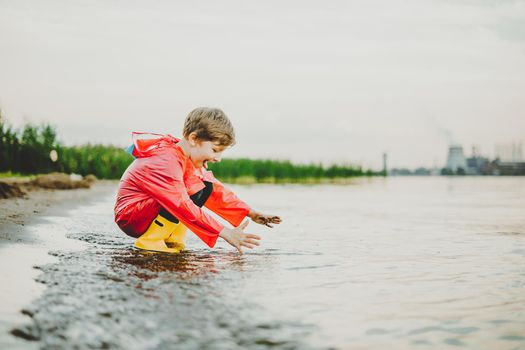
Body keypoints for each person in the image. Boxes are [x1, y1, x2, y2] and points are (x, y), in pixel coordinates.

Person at [114, 107, 281, 254]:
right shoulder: (167, 160)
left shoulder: (186, 157)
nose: (218, 158)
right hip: (132, 217)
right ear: (193, 139)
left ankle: (171, 238)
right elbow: (181, 204)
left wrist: (250, 213)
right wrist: (225, 232)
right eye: (215, 150)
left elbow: (217, 192)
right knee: (190, 190)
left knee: (206, 185)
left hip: (147, 212)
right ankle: (150, 241)